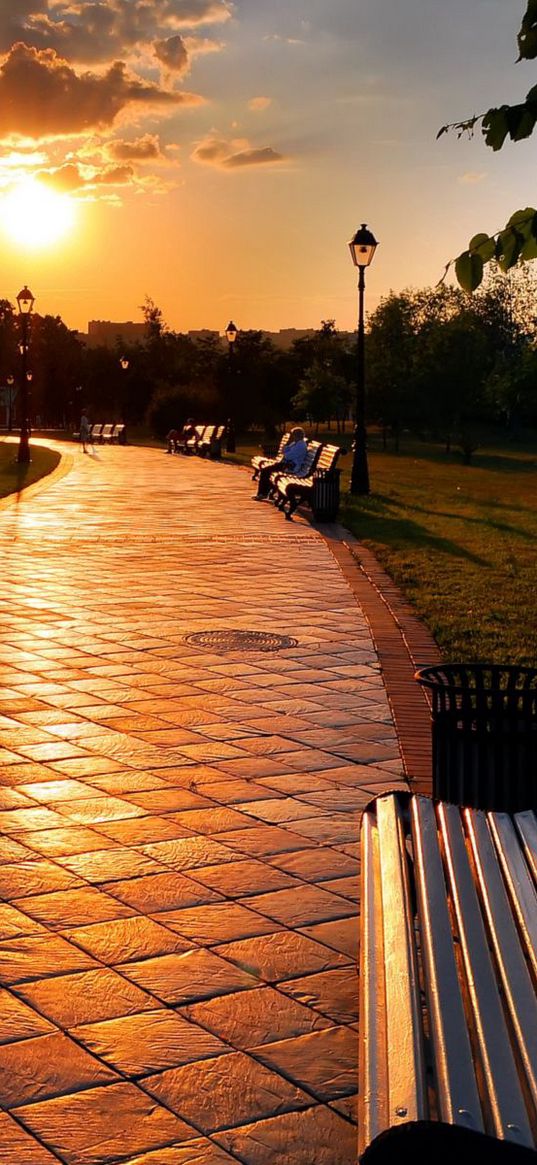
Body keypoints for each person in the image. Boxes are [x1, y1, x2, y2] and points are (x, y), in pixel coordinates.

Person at [253, 426, 308, 499]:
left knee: (265, 471)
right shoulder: (296, 443)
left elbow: (287, 456)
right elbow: (284, 451)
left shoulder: (300, 446)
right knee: (267, 470)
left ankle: (262, 494)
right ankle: (263, 493)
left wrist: (286, 453)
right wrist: (288, 445)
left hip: (291, 466)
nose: (291, 437)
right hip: (286, 464)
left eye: (292, 435)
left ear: (296, 435)